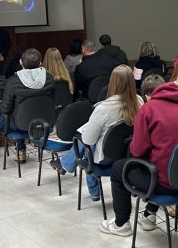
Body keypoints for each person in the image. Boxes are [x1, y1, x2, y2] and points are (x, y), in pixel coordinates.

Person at [99, 79, 178, 236]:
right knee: (160, 162)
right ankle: (149, 214)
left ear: (148, 95)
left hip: (167, 183)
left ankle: (121, 224)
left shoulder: (148, 109)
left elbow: (137, 152)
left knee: (118, 169)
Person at [52, 65, 140, 201]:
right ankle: (65, 163)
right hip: (129, 153)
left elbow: (88, 141)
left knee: (83, 141)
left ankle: (92, 190)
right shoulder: (139, 101)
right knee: (91, 138)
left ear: (112, 82)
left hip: (106, 157)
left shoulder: (104, 108)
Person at [0, 48, 54, 164]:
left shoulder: (13, 81)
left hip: (19, 125)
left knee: (8, 112)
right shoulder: (49, 79)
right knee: (19, 111)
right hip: (43, 123)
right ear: (40, 63)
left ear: (21, 62)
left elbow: (5, 109)